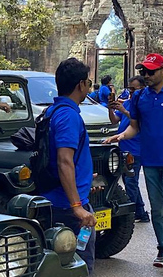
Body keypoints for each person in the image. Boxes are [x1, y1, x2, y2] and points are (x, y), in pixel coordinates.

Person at [104, 53, 163, 274]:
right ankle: (162, 248)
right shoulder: (140, 98)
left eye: (151, 71)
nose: (146, 75)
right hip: (150, 160)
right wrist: (118, 137)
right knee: (157, 209)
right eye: (144, 72)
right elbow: (134, 127)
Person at [41, 58, 96, 274]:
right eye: (89, 83)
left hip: (58, 199)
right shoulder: (68, 115)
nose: (89, 88)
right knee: (78, 267)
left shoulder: (52, 111)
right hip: (67, 207)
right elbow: (64, 161)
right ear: (81, 85)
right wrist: (77, 207)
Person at [107, 75, 150, 223]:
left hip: (136, 149)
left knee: (131, 181)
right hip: (123, 148)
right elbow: (114, 120)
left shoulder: (144, 104)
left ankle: (132, 212)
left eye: (134, 89)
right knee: (128, 181)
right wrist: (110, 108)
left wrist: (124, 111)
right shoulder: (128, 102)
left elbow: (140, 121)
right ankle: (141, 211)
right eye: (129, 89)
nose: (131, 92)